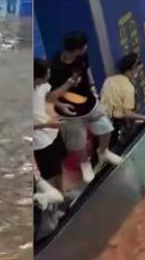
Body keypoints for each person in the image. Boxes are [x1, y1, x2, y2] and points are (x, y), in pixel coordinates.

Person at [49, 32, 122, 184]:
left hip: (90, 104)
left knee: (107, 129)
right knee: (79, 144)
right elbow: (50, 97)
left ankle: (103, 152)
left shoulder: (82, 57)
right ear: (76, 49)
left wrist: (93, 90)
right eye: (84, 46)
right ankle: (85, 164)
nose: (87, 48)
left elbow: (87, 74)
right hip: (71, 113)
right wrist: (68, 86)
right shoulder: (55, 67)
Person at [33, 58, 78, 189]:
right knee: (49, 175)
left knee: (59, 166)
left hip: (52, 132)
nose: (49, 76)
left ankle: (62, 194)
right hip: (39, 141)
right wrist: (46, 125)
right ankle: (51, 203)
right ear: (36, 78)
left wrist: (61, 105)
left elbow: (47, 97)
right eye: (46, 75)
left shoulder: (42, 85)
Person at [101, 53, 145, 127]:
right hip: (116, 124)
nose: (138, 72)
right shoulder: (128, 88)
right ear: (133, 68)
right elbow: (128, 114)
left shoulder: (108, 80)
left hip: (102, 120)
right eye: (138, 70)